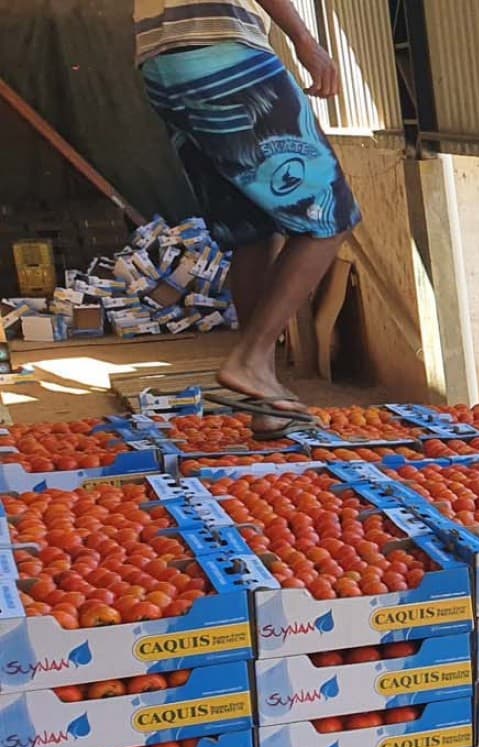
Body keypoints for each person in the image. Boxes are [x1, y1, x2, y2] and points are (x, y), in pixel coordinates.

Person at [135, 0, 360, 437]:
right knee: (329, 215)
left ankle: (266, 398)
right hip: (222, 49)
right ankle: (251, 359)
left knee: (251, 230)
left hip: (161, 63)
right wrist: (305, 40)